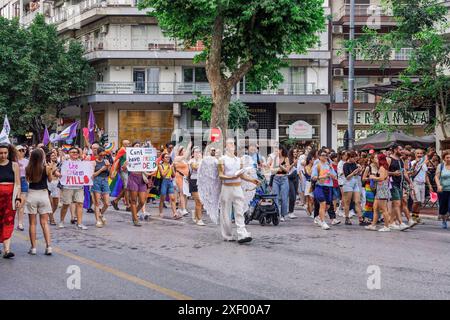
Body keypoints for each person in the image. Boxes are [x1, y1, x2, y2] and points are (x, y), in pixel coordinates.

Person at [218, 138, 259, 243]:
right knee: (226, 213)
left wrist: (252, 180)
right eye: (229, 143)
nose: (232, 145)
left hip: (237, 187)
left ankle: (242, 234)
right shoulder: (222, 159)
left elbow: (242, 175)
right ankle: (227, 235)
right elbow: (221, 175)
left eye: (233, 143)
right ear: (225, 146)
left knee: (239, 211)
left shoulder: (239, 160)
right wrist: (230, 177)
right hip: (226, 188)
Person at [25, 149, 54, 255]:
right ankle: (48, 246)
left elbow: (28, 181)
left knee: (32, 223)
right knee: (45, 223)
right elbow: (50, 180)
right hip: (43, 194)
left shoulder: (28, 168)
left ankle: (33, 248)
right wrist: (50, 170)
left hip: (32, 194)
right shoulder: (46, 168)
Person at [58, 147, 87, 230]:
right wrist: (59, 175)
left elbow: (87, 172)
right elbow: (56, 171)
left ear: (78, 154)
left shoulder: (82, 163)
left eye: (76, 152)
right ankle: (61, 221)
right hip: (67, 187)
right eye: (72, 152)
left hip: (79, 187)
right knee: (66, 204)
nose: (74, 153)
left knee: (80, 203)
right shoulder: (65, 162)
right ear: (69, 153)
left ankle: (79, 223)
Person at [0, 144, 21, 258]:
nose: (3, 155)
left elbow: (17, 184)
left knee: (8, 221)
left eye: (5, 153)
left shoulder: (14, 165)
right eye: (1, 153)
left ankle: (7, 250)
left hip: (10, 199)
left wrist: (18, 198)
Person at [125, 141, 151, 227]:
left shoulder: (143, 156)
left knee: (142, 201)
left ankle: (134, 213)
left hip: (142, 179)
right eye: (136, 145)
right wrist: (125, 165)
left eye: (139, 146)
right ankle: (135, 219)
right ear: (133, 147)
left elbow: (149, 165)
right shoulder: (129, 156)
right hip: (133, 177)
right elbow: (124, 169)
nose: (138, 146)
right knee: (133, 200)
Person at [365, 153, 392, 232]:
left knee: (383, 209)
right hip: (380, 188)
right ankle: (373, 225)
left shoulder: (382, 168)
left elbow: (381, 178)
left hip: (382, 189)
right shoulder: (382, 167)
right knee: (375, 208)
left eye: (377, 158)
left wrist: (373, 177)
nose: (375, 159)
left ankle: (387, 226)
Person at [388, 144, 411, 231]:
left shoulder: (401, 159)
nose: (402, 151)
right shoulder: (389, 159)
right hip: (392, 183)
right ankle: (401, 223)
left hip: (400, 184)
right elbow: (383, 171)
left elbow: (404, 172)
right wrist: (393, 173)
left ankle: (391, 222)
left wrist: (409, 182)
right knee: (397, 203)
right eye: (400, 149)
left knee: (397, 204)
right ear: (395, 150)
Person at [311, 151, 337, 230]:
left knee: (328, 206)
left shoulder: (329, 166)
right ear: (319, 156)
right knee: (323, 203)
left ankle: (319, 217)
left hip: (329, 187)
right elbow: (313, 177)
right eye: (323, 155)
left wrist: (331, 175)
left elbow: (335, 177)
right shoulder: (317, 166)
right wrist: (321, 177)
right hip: (320, 187)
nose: (325, 157)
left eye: (326, 155)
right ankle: (323, 222)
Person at [342, 151, 366, 226]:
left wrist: (360, 170)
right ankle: (347, 217)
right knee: (347, 201)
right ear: (349, 157)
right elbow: (347, 177)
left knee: (357, 201)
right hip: (348, 183)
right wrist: (353, 173)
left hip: (355, 183)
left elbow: (358, 174)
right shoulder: (345, 165)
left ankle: (360, 219)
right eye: (353, 157)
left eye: (355, 157)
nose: (354, 159)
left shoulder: (355, 164)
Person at [409, 149, 432, 226]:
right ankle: (413, 218)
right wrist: (417, 165)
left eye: (421, 153)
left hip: (423, 184)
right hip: (415, 183)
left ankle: (417, 216)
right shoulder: (412, 163)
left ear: (422, 154)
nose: (419, 154)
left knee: (421, 202)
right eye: (418, 153)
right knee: (416, 201)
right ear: (415, 154)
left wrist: (429, 185)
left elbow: (425, 175)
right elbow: (411, 174)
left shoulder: (425, 163)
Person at [269, 146, 290, 222]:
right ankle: (277, 214)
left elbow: (287, 170)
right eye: (275, 150)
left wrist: (280, 165)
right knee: (275, 197)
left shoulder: (286, 158)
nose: (276, 151)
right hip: (276, 179)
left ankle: (283, 215)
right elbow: (271, 170)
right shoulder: (274, 159)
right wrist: (279, 168)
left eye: (277, 150)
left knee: (284, 198)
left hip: (284, 179)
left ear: (281, 150)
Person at [157, 152, 180, 219]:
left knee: (172, 198)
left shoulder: (170, 165)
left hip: (170, 182)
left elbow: (174, 175)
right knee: (162, 199)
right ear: (163, 159)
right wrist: (169, 168)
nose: (168, 158)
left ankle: (175, 213)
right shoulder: (160, 165)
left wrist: (172, 168)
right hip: (164, 182)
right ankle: (161, 212)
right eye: (166, 157)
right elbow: (163, 175)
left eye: (169, 157)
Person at [92, 147, 111, 228]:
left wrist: (108, 167)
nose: (102, 156)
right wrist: (101, 169)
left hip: (105, 181)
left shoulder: (106, 161)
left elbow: (109, 174)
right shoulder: (94, 162)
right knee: (97, 203)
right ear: (98, 154)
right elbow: (92, 175)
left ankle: (100, 214)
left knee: (106, 203)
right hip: (96, 181)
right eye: (101, 155)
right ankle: (98, 220)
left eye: (104, 155)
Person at [111, 139, 131, 211]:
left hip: (130, 171)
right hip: (123, 171)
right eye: (125, 144)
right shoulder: (121, 151)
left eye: (128, 144)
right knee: (126, 187)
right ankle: (128, 205)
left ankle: (115, 201)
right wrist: (114, 171)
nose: (127, 145)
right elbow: (117, 161)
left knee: (127, 188)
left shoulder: (131, 151)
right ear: (123, 145)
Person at [173, 142, 192, 217]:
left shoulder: (185, 160)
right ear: (180, 151)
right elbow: (185, 156)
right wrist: (188, 147)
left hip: (185, 178)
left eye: (184, 151)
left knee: (185, 194)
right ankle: (183, 209)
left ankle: (182, 208)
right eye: (183, 151)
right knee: (182, 193)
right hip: (179, 177)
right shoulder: (177, 158)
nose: (184, 152)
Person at [188, 146, 205, 226]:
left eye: (199, 152)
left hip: (202, 181)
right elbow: (195, 168)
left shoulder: (203, 161)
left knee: (200, 202)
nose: (197, 153)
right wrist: (200, 163)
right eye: (195, 152)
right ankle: (199, 219)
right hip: (193, 181)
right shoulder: (191, 161)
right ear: (193, 153)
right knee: (198, 200)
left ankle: (195, 213)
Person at [435, 150, 450, 229]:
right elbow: (436, 177)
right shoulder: (440, 166)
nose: (449, 159)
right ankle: (444, 220)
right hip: (443, 190)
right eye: (447, 157)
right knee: (443, 207)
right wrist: (438, 185)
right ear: (444, 158)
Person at [16, 145, 29, 231]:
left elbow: (29, 172)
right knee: (15, 203)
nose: (21, 152)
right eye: (19, 150)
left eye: (23, 150)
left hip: (24, 181)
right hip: (15, 182)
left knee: (21, 203)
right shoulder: (13, 161)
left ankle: (20, 223)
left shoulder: (27, 161)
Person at [47, 151, 60, 225]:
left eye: (55, 155)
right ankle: (51, 219)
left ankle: (50, 215)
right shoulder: (46, 164)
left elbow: (58, 174)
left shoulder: (58, 164)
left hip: (56, 184)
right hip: (48, 183)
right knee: (50, 202)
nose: (54, 157)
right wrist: (52, 168)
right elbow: (50, 172)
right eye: (52, 156)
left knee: (56, 204)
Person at [287, 148, 299, 219]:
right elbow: (287, 169)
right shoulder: (288, 159)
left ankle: (292, 211)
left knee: (294, 196)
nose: (295, 153)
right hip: (289, 178)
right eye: (293, 152)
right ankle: (290, 212)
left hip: (296, 178)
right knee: (292, 195)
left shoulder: (298, 159)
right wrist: (293, 163)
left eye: (296, 152)